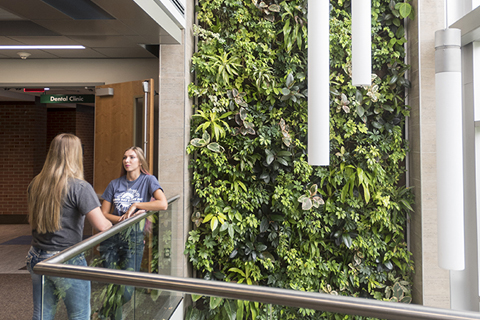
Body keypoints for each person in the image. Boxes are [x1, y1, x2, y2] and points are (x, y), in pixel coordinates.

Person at [26, 133, 113, 320]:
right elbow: (102, 225)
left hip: (37, 256)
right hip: (66, 259)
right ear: (75, 155)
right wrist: (117, 220)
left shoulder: (36, 184)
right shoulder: (80, 187)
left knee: (42, 314)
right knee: (80, 314)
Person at [97, 146, 167, 319]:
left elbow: (162, 204)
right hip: (111, 240)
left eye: (132, 157)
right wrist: (122, 221)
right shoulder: (114, 184)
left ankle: (102, 312)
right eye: (125, 157)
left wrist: (136, 205)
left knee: (126, 291)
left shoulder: (148, 181)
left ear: (140, 161)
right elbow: (103, 214)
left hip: (133, 240)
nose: (127, 161)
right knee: (113, 286)